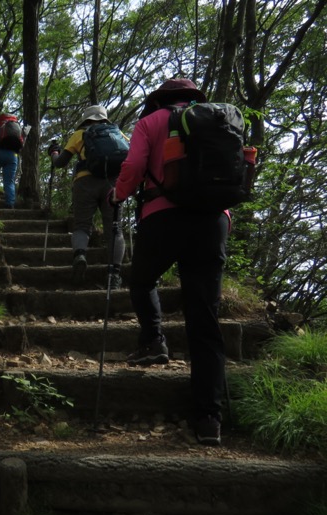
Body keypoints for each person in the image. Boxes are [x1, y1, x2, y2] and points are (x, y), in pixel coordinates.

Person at [110, 78, 229, 446]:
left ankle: (154, 341)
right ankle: (209, 417)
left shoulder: (151, 122)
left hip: (163, 216)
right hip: (213, 220)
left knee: (143, 280)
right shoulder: (218, 119)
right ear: (195, 99)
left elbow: (134, 165)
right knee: (204, 318)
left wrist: (118, 194)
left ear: (159, 99)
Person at [47, 105, 127, 287]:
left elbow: (60, 163)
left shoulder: (79, 135)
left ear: (87, 119)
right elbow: (130, 155)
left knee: (82, 225)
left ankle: (80, 255)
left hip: (84, 182)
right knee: (114, 229)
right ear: (104, 118)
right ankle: (114, 274)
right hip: (113, 184)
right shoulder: (117, 133)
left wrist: (54, 152)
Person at [0, 113, 24, 209]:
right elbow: (22, 141)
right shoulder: (18, 128)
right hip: (13, 155)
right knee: (9, 181)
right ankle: (10, 203)